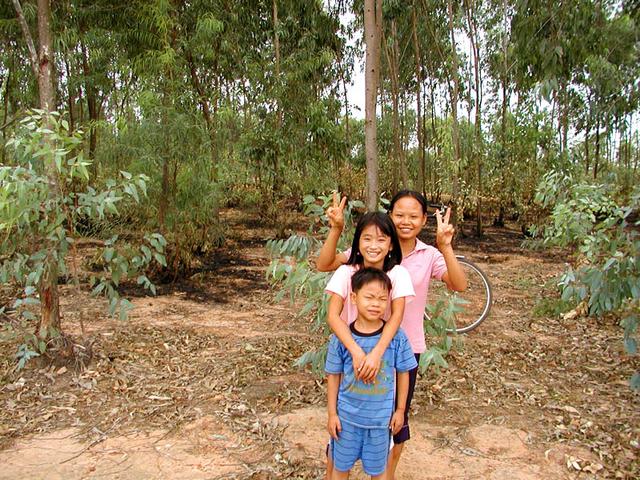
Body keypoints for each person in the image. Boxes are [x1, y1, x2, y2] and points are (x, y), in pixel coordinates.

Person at [317, 190, 467, 479]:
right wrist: (336, 229)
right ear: (390, 216)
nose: (405, 221)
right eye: (399, 214)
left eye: (413, 216)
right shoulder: (366, 253)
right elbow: (326, 264)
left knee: (392, 426)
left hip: (402, 351)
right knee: (345, 423)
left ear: (425, 220)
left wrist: (445, 246)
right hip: (354, 347)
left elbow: (459, 285)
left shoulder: (418, 260)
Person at [323, 210, 415, 478]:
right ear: (357, 243)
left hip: (385, 356)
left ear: (391, 245)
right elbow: (333, 315)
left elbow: (397, 316)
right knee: (339, 448)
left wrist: (375, 354)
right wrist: (355, 350)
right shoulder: (346, 272)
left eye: (382, 239)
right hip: (350, 351)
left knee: (382, 447)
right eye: (367, 239)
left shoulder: (398, 274)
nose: (374, 246)